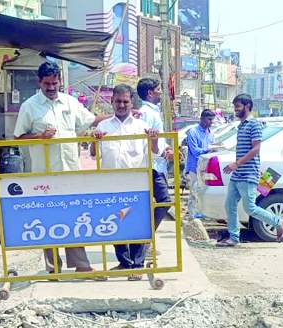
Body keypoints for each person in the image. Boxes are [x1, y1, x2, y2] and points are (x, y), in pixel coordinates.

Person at [14, 62, 108, 276]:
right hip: (44, 175)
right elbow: (18, 136)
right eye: (47, 83)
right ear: (40, 82)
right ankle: (53, 266)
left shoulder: (70, 103)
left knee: (74, 216)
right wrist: (39, 136)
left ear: (60, 81)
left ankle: (81, 265)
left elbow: (91, 121)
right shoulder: (30, 106)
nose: (51, 87)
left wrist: (120, 114)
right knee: (48, 218)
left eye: (54, 83)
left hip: (70, 171)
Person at [91, 85, 160, 279]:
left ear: (131, 103)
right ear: (112, 102)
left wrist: (154, 140)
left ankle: (137, 266)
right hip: (111, 183)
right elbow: (94, 154)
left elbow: (154, 151)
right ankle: (124, 263)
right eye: (118, 101)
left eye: (125, 101)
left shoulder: (141, 126)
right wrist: (95, 141)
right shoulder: (103, 127)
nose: (121, 105)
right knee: (116, 223)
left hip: (136, 183)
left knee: (138, 223)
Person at [217, 94, 283, 247]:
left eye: (238, 106)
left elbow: (256, 149)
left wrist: (236, 163)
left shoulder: (254, 124)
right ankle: (234, 238)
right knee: (230, 205)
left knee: (250, 208)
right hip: (238, 174)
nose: (235, 109)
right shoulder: (241, 125)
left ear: (247, 106)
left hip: (248, 174)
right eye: (235, 106)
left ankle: (278, 221)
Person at [135, 78, 173, 238]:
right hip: (151, 165)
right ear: (150, 93)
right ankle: (144, 238)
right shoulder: (145, 113)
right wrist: (161, 151)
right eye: (158, 89)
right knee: (164, 201)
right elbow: (145, 138)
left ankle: (144, 240)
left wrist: (167, 149)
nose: (161, 92)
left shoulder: (153, 111)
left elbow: (158, 137)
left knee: (157, 202)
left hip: (157, 164)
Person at [184, 109, 216, 217]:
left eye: (212, 120)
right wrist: (207, 150)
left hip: (206, 168)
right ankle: (192, 215)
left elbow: (212, 147)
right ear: (202, 118)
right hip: (194, 167)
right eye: (209, 119)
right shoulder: (193, 132)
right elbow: (195, 151)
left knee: (203, 192)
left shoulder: (211, 133)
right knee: (194, 192)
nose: (211, 122)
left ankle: (202, 213)